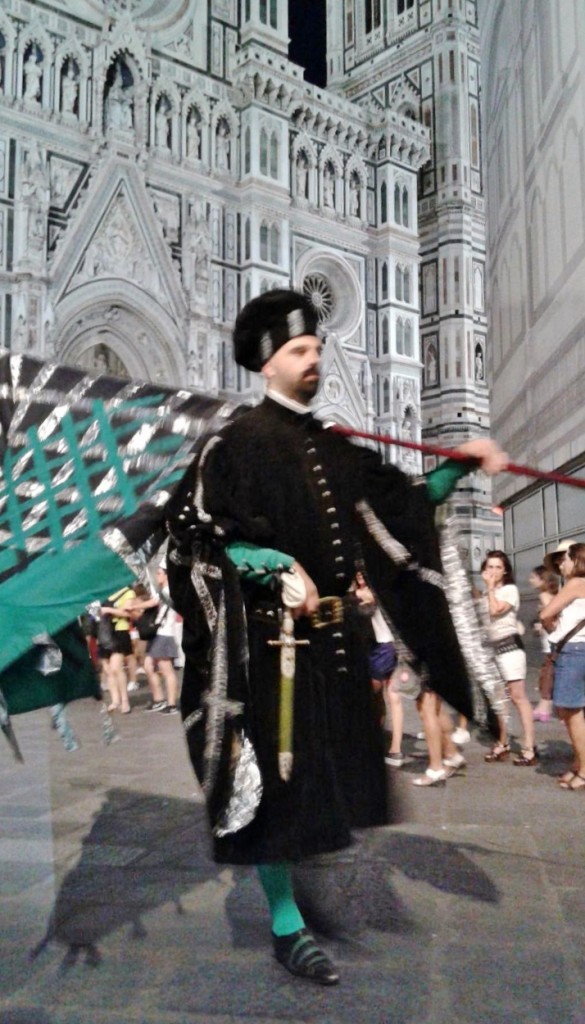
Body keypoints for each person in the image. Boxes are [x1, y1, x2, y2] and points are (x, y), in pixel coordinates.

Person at [165, 288, 507, 985]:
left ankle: (298, 887)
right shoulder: (234, 443)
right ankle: (286, 924)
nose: (313, 358)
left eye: (317, 348)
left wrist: (459, 464)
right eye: (298, 350)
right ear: (267, 363)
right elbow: (194, 538)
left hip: (331, 653)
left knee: (322, 784)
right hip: (267, 654)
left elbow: (403, 505)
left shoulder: (333, 446)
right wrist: (268, 563)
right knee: (269, 789)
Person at [480, 550, 537, 766]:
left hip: (510, 649)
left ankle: (529, 747)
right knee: (499, 701)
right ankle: (502, 743)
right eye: (490, 566)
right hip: (492, 652)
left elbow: (496, 611)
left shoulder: (510, 590)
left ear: (505, 571)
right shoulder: (486, 594)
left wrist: (489, 588)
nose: (493, 571)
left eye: (498, 567)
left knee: (517, 696)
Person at [540, 542, 585, 790]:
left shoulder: (576, 584)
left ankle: (584, 770)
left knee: (571, 712)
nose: (561, 564)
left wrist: (551, 627)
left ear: (576, 560)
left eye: (564, 559)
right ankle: (578, 764)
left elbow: (546, 614)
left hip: (574, 652)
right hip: (581, 650)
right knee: (573, 712)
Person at [130, 562, 180, 714]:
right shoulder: (164, 590)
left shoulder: (168, 590)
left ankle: (171, 704)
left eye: (159, 573)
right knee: (148, 665)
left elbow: (153, 602)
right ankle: (159, 700)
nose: (157, 575)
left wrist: (132, 606)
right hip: (160, 633)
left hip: (165, 633)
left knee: (166, 669)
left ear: (166, 575)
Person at [99, 584, 136, 714]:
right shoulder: (106, 591)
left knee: (116, 668)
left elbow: (127, 613)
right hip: (104, 631)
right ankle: (115, 700)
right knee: (108, 669)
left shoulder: (128, 592)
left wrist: (108, 610)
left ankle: (125, 700)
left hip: (119, 631)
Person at [529, 565, 559, 722]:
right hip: (552, 641)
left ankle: (544, 708)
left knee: (547, 674)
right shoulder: (555, 595)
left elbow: (551, 616)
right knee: (550, 673)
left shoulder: (544, 596)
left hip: (551, 641)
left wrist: (542, 623)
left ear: (542, 579)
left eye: (533, 577)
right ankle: (546, 707)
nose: (530, 580)